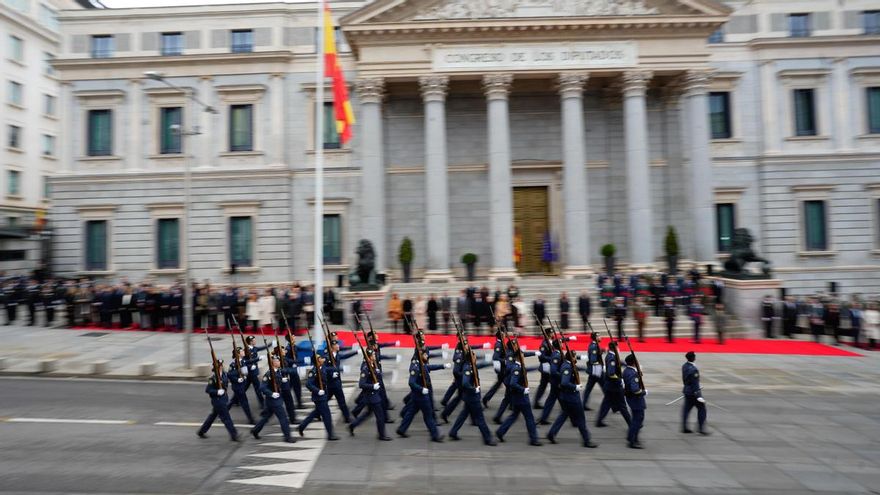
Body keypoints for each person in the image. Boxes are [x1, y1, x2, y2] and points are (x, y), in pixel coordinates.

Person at [547, 350, 598, 448]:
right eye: (574, 357)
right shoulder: (567, 367)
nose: (575, 358)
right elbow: (564, 382)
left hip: (567, 397)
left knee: (563, 416)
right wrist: (575, 387)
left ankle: (551, 433)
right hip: (572, 397)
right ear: (571, 358)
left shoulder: (567, 364)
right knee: (580, 418)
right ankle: (587, 440)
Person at [495, 340, 542, 446]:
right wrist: (523, 390)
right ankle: (534, 439)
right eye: (521, 354)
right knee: (529, 417)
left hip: (517, 397)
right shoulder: (516, 367)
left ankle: (500, 432)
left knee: (514, 415)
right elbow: (513, 383)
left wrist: (534, 353)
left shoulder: (518, 365)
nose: (523, 355)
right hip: (520, 396)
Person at [396, 350, 446, 442]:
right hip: (421, 396)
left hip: (417, 397)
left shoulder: (422, 364)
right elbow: (411, 382)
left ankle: (401, 429)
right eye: (425, 355)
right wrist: (421, 389)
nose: (427, 356)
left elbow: (430, 367)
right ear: (421, 355)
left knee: (410, 413)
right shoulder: (416, 367)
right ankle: (435, 435)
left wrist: (443, 366)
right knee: (428, 415)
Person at [448, 357, 497, 446]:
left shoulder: (471, 366)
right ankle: (488, 438)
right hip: (472, 398)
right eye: (473, 356)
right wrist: (474, 390)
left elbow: (479, 365)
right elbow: (465, 383)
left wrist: (490, 363)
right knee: (480, 418)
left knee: (463, 416)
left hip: (469, 398)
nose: (475, 358)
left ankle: (453, 432)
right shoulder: (468, 368)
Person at [348, 348, 392, 440]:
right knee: (380, 416)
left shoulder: (373, 365)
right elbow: (361, 384)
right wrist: (373, 386)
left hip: (375, 394)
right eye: (373, 356)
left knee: (367, 413)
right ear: (369, 357)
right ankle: (382, 435)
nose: (375, 357)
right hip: (372, 396)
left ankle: (352, 425)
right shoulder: (365, 368)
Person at [250, 356, 295, 443]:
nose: (279, 362)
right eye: (277, 361)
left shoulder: (278, 371)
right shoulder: (268, 374)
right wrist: (271, 394)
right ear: (273, 363)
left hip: (273, 401)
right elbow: (262, 388)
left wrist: (282, 379)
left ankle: (255, 430)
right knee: (283, 418)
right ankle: (287, 437)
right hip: (274, 400)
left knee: (266, 417)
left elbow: (287, 372)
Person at [297, 355, 338, 440]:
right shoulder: (314, 371)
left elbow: (329, 370)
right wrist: (317, 391)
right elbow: (308, 384)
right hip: (319, 397)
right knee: (327, 415)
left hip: (324, 395)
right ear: (317, 361)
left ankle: (302, 426)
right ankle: (330, 435)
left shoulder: (322, 367)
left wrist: (339, 370)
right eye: (321, 358)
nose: (323, 359)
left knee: (315, 413)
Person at [197, 359, 240, 441]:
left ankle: (201, 431)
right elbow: (208, 390)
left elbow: (231, 375)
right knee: (226, 418)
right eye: (219, 366)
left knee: (212, 417)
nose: (221, 367)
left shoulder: (224, 374)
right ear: (216, 367)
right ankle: (234, 435)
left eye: (221, 365)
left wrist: (239, 373)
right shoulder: (213, 378)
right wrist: (217, 391)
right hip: (217, 401)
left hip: (223, 399)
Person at [595, 341, 632, 428]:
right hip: (614, 386)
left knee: (606, 403)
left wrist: (628, 365)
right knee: (622, 406)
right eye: (617, 347)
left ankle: (599, 421)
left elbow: (619, 362)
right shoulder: (612, 358)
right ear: (614, 348)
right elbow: (611, 373)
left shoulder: (612, 355)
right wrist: (620, 380)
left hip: (609, 386)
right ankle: (631, 424)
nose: (619, 348)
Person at [226, 348, 256, 425]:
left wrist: (258, 359)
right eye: (242, 351)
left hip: (242, 385)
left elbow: (248, 362)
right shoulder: (233, 364)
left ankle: (222, 413)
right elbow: (229, 374)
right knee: (245, 403)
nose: (243, 352)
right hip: (238, 386)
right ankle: (251, 419)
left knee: (232, 401)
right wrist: (237, 379)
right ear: (238, 354)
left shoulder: (243, 361)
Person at [681, 351, 708, 435]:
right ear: (693, 358)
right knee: (702, 409)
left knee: (686, 410)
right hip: (693, 393)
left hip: (686, 390)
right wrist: (698, 395)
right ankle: (701, 428)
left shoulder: (684, 366)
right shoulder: (694, 370)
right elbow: (695, 383)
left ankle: (685, 427)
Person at [622, 354, 646, 449]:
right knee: (638, 420)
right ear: (633, 362)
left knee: (636, 419)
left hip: (630, 398)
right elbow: (635, 389)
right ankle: (632, 441)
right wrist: (644, 392)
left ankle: (630, 437)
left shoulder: (626, 371)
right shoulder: (633, 374)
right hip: (636, 399)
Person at [583, 332, 604, 411]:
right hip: (596, 371)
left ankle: (584, 404)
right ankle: (613, 405)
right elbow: (593, 360)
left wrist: (601, 351)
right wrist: (602, 366)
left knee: (588, 388)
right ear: (595, 337)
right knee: (605, 388)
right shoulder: (594, 347)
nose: (600, 337)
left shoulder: (595, 345)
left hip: (594, 371)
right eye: (599, 336)